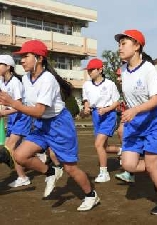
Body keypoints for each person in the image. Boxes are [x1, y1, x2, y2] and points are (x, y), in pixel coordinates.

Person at [0, 40, 99, 211]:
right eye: (21, 57)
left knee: (70, 168)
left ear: (39, 58)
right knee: (20, 155)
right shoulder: (25, 78)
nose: (21, 60)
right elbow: (27, 105)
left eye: (26, 56)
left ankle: (91, 195)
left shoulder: (48, 80)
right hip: (41, 125)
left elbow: (38, 111)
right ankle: (51, 172)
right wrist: (9, 104)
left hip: (59, 125)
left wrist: (13, 104)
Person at [114, 29, 157, 215]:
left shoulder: (148, 68)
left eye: (124, 43)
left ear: (137, 46)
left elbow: (155, 99)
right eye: (119, 44)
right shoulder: (123, 70)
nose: (119, 47)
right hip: (135, 122)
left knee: (151, 165)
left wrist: (134, 110)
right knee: (128, 165)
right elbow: (131, 98)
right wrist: (125, 110)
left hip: (154, 120)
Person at [82, 58, 120, 183]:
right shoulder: (86, 85)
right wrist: (87, 108)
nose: (89, 72)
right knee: (104, 147)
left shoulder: (110, 84)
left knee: (98, 144)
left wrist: (106, 109)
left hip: (109, 115)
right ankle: (122, 151)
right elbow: (86, 100)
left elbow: (116, 102)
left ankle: (104, 173)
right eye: (88, 70)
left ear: (100, 70)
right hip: (95, 115)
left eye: (92, 70)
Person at [0, 55, 32, 187]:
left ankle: (41, 161)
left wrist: (4, 112)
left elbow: (19, 105)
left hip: (22, 116)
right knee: (12, 150)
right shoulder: (3, 81)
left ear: (8, 67)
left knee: (8, 148)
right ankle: (23, 177)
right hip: (13, 117)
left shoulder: (15, 83)